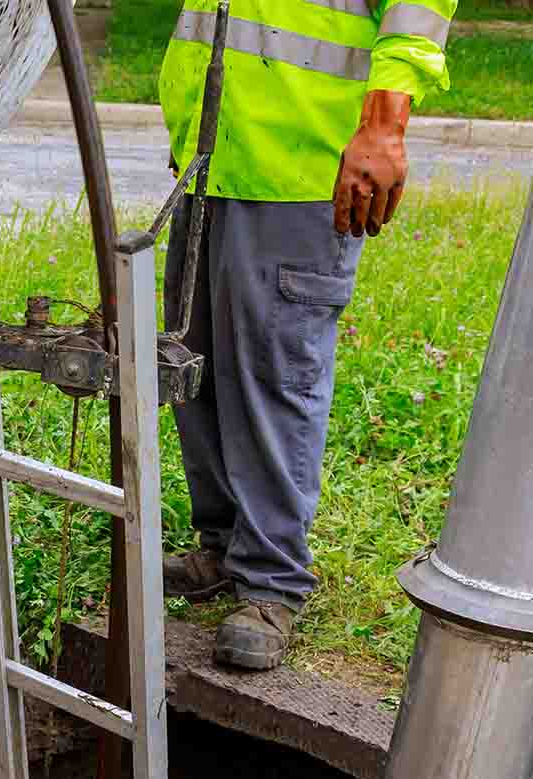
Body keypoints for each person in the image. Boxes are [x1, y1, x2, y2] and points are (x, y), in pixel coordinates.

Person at [158, 0, 455, 669]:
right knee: (195, 362)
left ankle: (271, 581)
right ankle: (225, 543)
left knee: (272, 369)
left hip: (302, 157)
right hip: (216, 149)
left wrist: (385, 126)